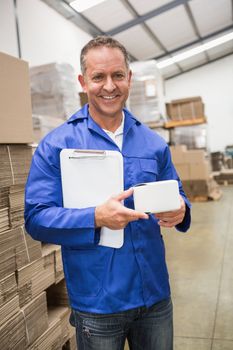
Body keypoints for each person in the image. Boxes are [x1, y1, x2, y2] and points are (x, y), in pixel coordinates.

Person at [25, 36, 191, 350]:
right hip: (98, 302)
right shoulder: (57, 145)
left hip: (154, 295)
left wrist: (181, 208)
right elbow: (36, 218)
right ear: (82, 81)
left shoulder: (153, 143)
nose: (109, 86)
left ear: (129, 78)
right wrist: (95, 217)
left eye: (117, 75)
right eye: (98, 77)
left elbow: (178, 193)